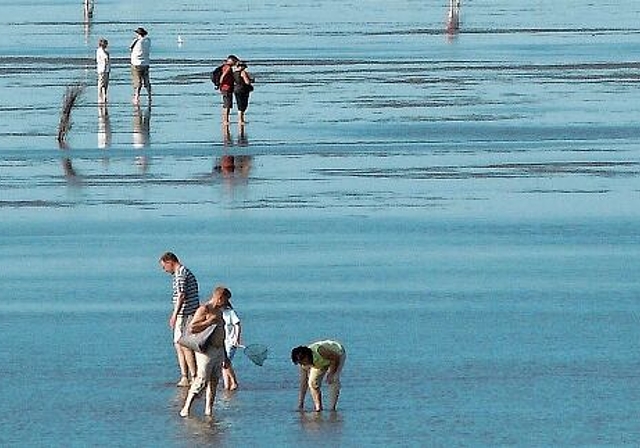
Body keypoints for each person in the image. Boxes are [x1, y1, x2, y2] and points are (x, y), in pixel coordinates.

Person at [180, 286, 230, 417]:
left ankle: (209, 409)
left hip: (219, 350)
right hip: (206, 351)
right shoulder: (204, 309)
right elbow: (192, 328)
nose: (226, 303)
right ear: (219, 298)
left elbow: (222, 334)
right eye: (225, 300)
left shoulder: (219, 311)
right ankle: (186, 407)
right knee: (201, 379)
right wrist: (208, 321)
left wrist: (226, 357)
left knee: (214, 380)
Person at [159, 252, 199, 387]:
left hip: (186, 314)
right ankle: (184, 376)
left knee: (185, 344)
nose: (164, 270)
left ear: (170, 262)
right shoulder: (180, 273)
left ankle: (194, 376)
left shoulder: (181, 273)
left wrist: (174, 315)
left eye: (165, 267)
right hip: (184, 313)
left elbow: (182, 295)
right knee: (178, 345)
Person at [291, 340, 346, 412]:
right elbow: (304, 382)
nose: (303, 364)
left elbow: (335, 358)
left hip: (338, 354)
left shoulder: (319, 351)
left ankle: (332, 408)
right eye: (300, 363)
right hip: (321, 363)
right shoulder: (303, 365)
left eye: (303, 361)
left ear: (307, 356)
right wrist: (301, 403)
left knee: (333, 379)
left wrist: (330, 373)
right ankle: (318, 408)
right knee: (312, 383)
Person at [219, 288, 241, 390]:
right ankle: (227, 385)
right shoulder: (217, 312)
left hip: (231, 341)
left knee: (225, 363)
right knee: (223, 364)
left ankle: (234, 382)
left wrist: (237, 338)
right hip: (222, 342)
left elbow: (237, 324)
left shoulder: (230, 312)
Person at [130, 27, 151, 105]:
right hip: (146, 63)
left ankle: (136, 96)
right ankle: (149, 96)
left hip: (136, 63)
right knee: (146, 81)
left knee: (137, 81)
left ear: (138, 34)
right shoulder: (148, 41)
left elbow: (130, 47)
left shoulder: (137, 41)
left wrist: (136, 39)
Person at [232, 61, 254, 125]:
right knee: (243, 105)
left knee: (239, 104)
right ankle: (241, 120)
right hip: (243, 89)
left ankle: (240, 119)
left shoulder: (234, 73)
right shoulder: (243, 72)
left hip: (236, 89)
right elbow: (247, 82)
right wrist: (251, 80)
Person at [219, 55, 238, 125]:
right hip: (227, 88)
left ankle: (225, 119)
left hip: (224, 87)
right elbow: (223, 76)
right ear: (231, 61)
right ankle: (226, 120)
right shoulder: (228, 68)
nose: (235, 63)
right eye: (235, 61)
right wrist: (220, 84)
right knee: (227, 105)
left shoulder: (224, 66)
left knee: (225, 104)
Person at [96, 38, 110, 104]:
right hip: (102, 69)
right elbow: (105, 58)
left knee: (105, 84)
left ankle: (104, 96)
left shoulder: (105, 51)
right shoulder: (100, 51)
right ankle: (99, 97)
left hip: (106, 69)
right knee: (101, 84)